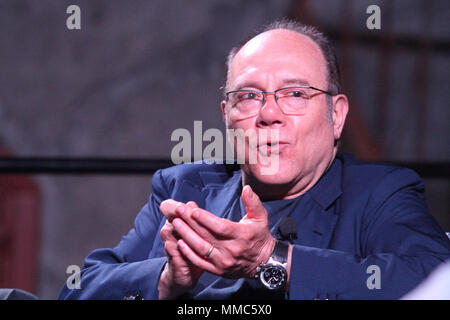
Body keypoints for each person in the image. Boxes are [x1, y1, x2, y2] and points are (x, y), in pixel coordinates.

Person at [58, 19, 450, 300]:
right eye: (248, 96)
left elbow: (434, 280)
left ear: (337, 116)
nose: (268, 113)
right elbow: (78, 289)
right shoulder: (183, 187)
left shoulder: (379, 193)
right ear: (226, 116)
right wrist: (166, 281)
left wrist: (270, 257)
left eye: (295, 94)